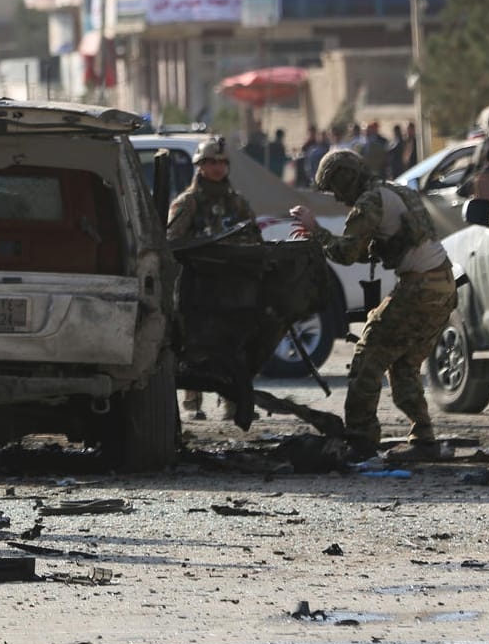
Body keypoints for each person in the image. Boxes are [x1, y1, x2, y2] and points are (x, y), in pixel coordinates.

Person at [293, 148, 457, 461]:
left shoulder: (370, 201)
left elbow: (345, 253)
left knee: (367, 358)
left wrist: (315, 230)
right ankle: (423, 439)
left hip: (419, 288)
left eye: (335, 189)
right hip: (443, 286)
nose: (339, 199)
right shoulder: (395, 191)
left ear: (346, 179)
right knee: (404, 366)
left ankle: (360, 439)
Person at [167, 136, 262, 421]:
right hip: (196, 286)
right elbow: (171, 242)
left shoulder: (238, 203)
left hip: (231, 286)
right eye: (212, 162)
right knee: (191, 343)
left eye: (222, 162)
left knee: (235, 344)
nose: (218, 168)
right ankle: (192, 403)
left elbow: (254, 237)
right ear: (200, 166)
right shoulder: (187, 203)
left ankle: (233, 402)